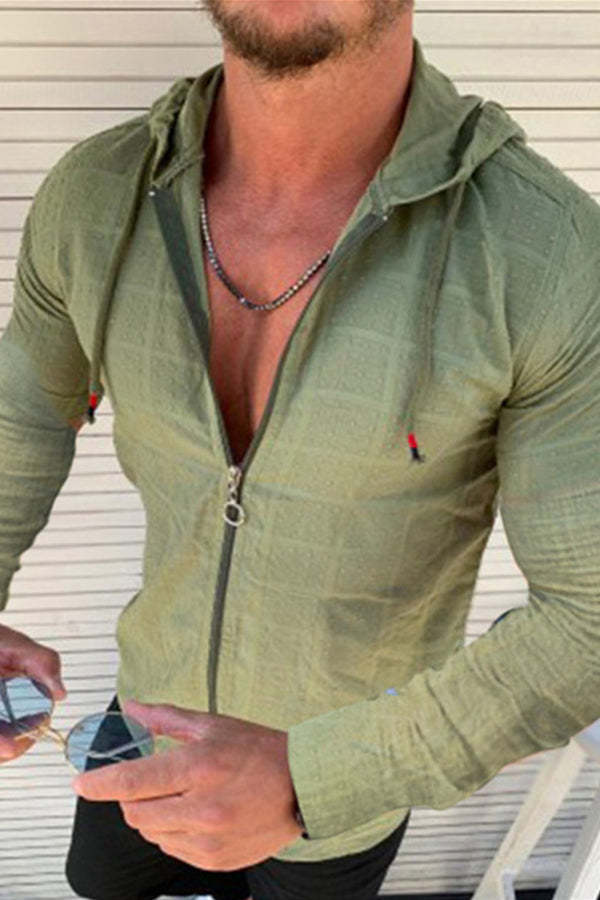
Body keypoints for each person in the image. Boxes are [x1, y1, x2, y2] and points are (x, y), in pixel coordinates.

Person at [0, 1, 599, 898]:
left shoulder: (546, 254)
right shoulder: (96, 197)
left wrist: (317, 779)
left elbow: (590, 616)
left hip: (347, 785)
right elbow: (23, 417)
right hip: (140, 728)